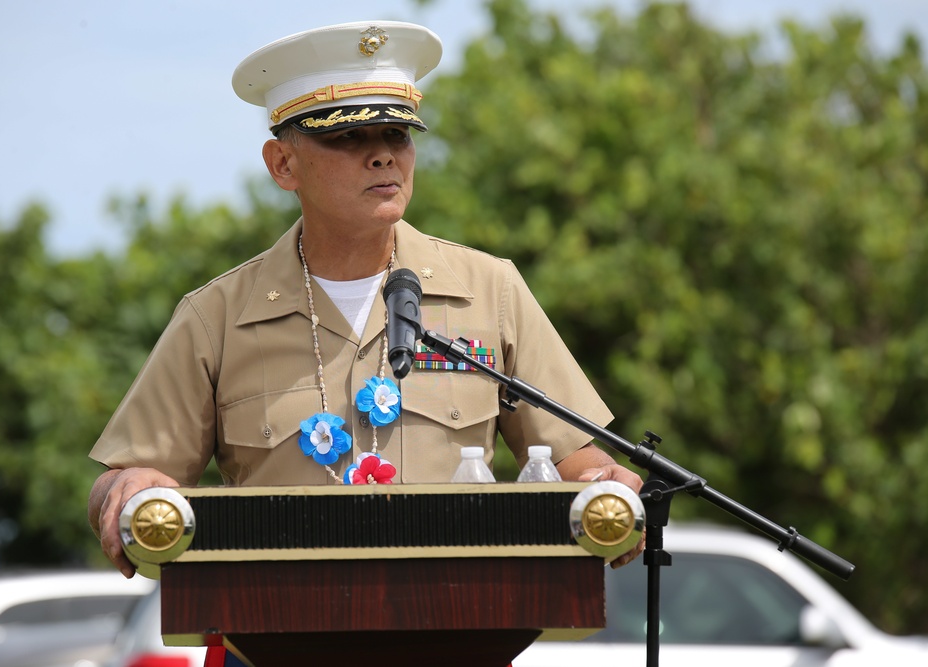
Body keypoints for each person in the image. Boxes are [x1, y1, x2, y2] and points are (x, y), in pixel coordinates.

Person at [88, 20, 645, 579]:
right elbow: (128, 482)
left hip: (456, 625)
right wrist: (123, 487)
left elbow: (574, 461)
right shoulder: (217, 316)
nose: (383, 156)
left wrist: (604, 483)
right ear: (284, 164)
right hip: (276, 633)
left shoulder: (489, 291)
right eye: (348, 137)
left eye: (397, 136)